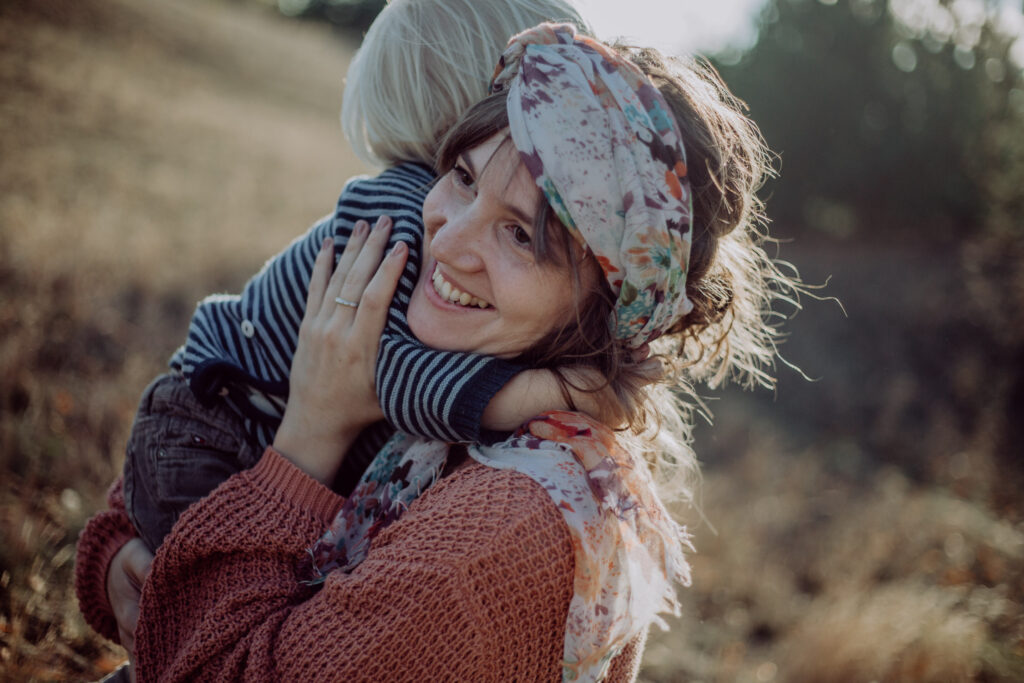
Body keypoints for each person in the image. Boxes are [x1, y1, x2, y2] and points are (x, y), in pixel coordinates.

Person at [79, 22, 799, 682]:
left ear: (607, 305)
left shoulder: (495, 535)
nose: (447, 241)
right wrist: (117, 553)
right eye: (460, 179)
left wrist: (311, 432)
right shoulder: (460, 375)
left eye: (520, 235)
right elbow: (171, 483)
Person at [113, 0, 596, 558]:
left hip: (240, 426)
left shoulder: (451, 206)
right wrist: (549, 393)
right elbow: (388, 374)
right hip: (213, 425)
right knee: (205, 599)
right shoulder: (401, 209)